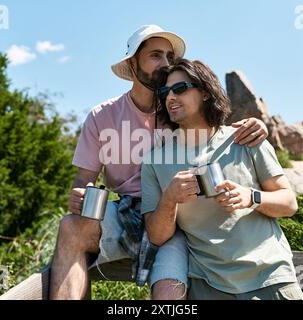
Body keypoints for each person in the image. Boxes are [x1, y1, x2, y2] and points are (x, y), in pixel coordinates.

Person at [49, 25, 269, 300]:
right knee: (70, 226)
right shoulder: (101, 116)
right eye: (155, 55)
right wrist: (80, 195)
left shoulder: (179, 110)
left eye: (169, 57)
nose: (165, 64)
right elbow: (84, 179)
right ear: (133, 63)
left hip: (176, 218)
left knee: (168, 292)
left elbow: (217, 136)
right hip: (124, 211)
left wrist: (258, 124)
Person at [141, 58, 303, 300]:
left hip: (271, 279)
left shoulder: (246, 138)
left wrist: (251, 197)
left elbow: (289, 204)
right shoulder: (154, 162)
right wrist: (169, 199)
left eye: (180, 89)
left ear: (205, 92)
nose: (170, 97)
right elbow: (156, 237)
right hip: (209, 287)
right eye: (165, 92)